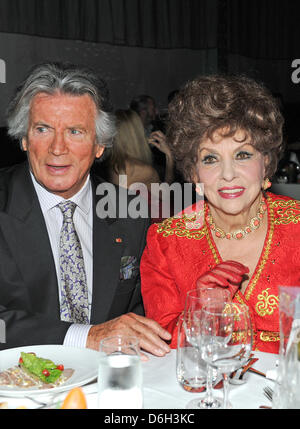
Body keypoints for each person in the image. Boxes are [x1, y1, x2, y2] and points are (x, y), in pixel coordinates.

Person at [0, 62, 171, 355]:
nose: (57, 147)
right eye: (43, 129)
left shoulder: (129, 212)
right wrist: (85, 336)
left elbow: (143, 308)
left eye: (75, 132)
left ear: (100, 145)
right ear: (25, 139)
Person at [140, 74, 300, 354]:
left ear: (266, 162)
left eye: (242, 155)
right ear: (193, 172)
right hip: (204, 393)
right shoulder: (166, 242)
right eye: (210, 159)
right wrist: (201, 311)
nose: (228, 175)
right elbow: (162, 347)